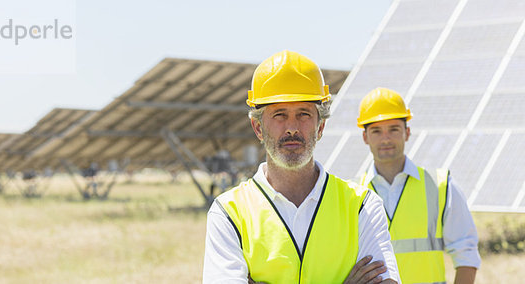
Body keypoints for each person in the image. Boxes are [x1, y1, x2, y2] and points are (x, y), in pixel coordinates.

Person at [203, 50, 400, 283]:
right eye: (279, 115)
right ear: (257, 128)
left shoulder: (362, 206)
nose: (292, 128)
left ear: (320, 127)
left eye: (304, 114)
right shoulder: (229, 213)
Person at [356, 87, 481, 283]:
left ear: (407, 132)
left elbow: (467, 254)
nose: (386, 138)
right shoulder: (352, 193)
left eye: (394, 129)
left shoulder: (440, 185)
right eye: (376, 131)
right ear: (365, 137)